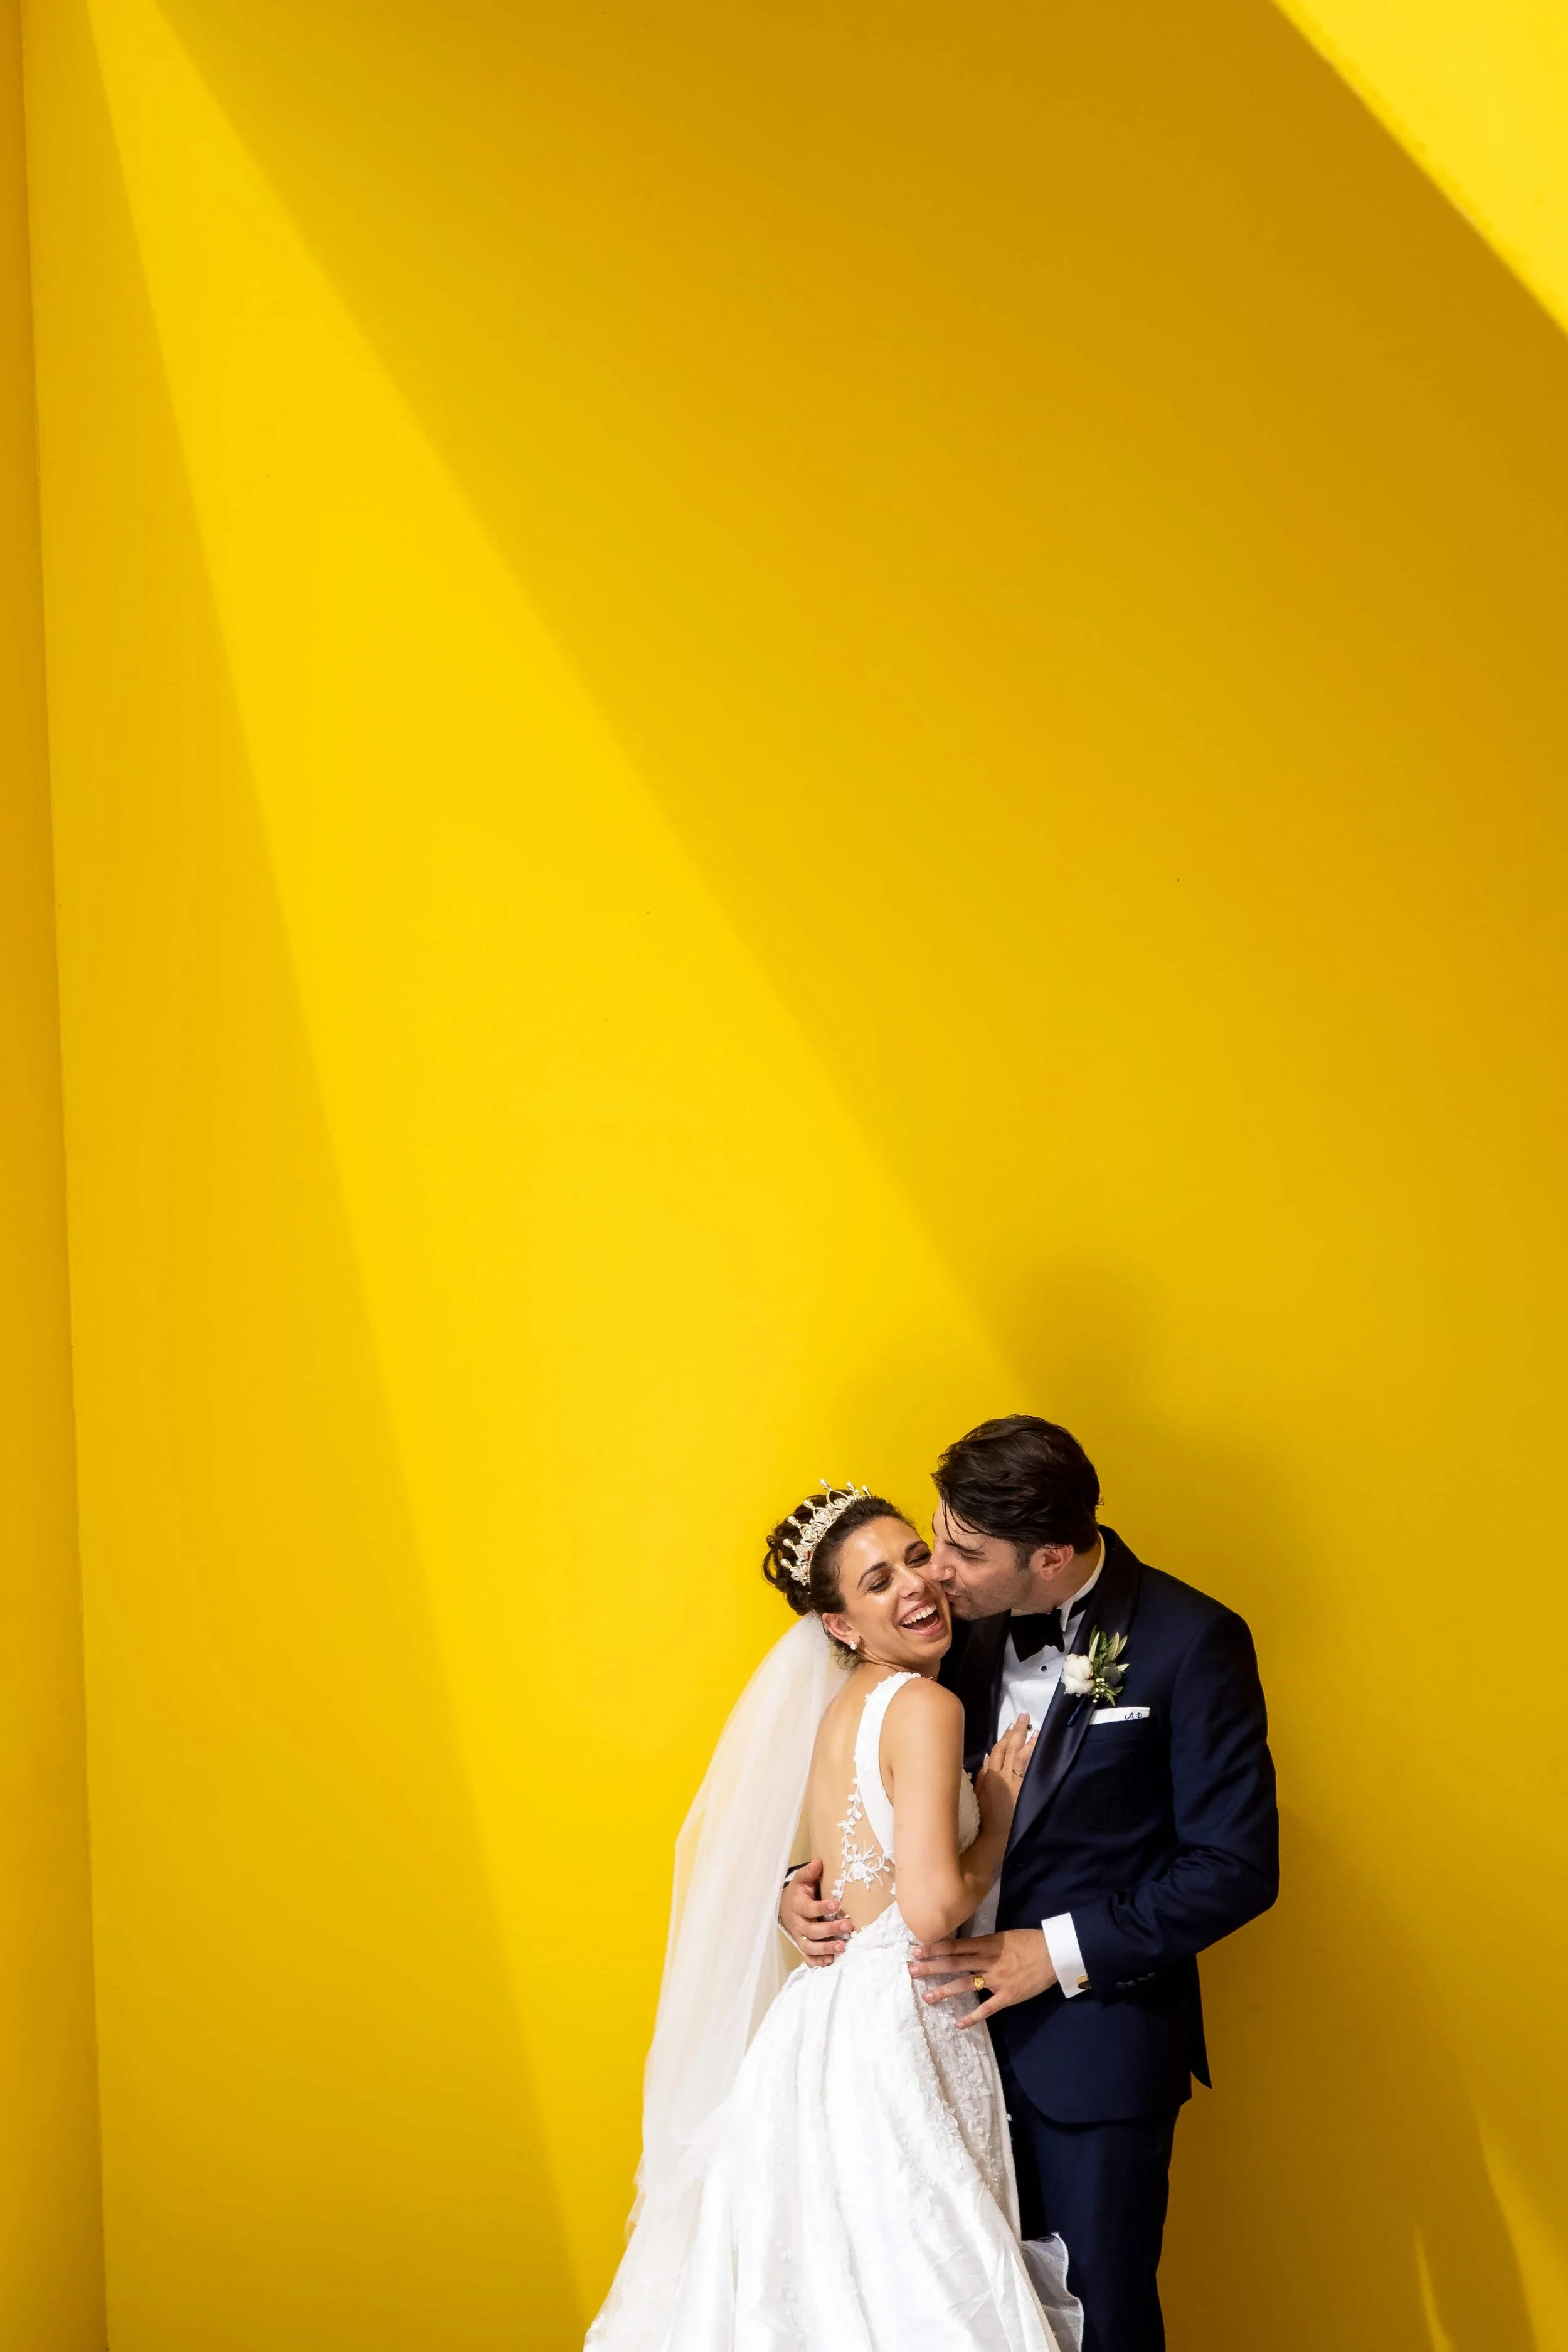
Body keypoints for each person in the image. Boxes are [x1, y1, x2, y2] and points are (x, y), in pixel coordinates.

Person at [782, 1417, 1280, 2352]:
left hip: (1090, 2058)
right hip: (922, 2055)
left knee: (1097, 2320)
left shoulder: (1191, 1639)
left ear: (1050, 1558)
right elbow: (873, 1784)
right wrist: (798, 1885)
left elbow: (1236, 1866)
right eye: (937, 1536)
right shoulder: (943, 1636)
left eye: (961, 1552)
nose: (936, 1575)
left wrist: (1051, 1951)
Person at [586, 1483, 1083, 2352]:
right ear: (841, 1624)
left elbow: (853, 1865)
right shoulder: (927, 1705)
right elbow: (929, 1908)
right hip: (904, 2021)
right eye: (878, 1580)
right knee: (919, 2287)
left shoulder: (838, 1712)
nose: (917, 1586)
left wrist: (794, 1889)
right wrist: (996, 1811)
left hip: (819, 2027)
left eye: (916, 1557)